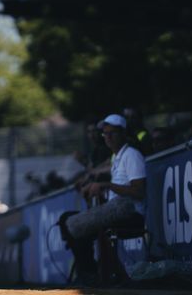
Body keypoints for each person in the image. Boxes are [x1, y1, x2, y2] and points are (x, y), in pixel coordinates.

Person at [58, 114, 146, 285]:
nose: (108, 137)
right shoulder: (117, 157)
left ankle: (90, 276)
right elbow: (112, 184)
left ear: (123, 134)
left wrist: (106, 185)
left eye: (113, 132)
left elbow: (139, 191)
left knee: (74, 224)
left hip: (130, 212)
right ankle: (89, 274)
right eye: (105, 133)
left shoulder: (132, 155)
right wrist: (97, 189)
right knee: (67, 220)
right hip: (117, 208)